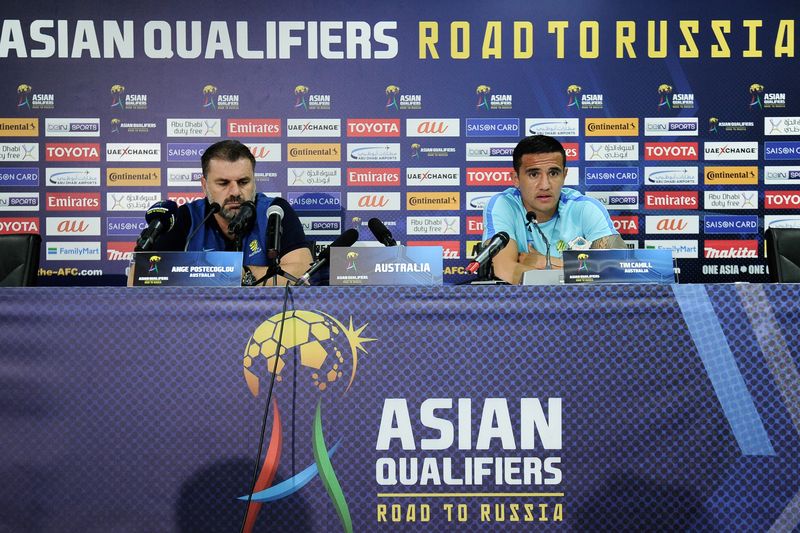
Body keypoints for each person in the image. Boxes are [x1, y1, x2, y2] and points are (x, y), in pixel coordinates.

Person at [136, 139, 312, 286]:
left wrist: (242, 275)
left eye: (243, 182)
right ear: (204, 186)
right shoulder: (186, 218)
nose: (235, 191)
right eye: (223, 183)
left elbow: (303, 274)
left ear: (254, 182)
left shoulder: (274, 212)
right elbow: (141, 276)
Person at [482, 134, 625, 284]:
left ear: (564, 175)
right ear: (516, 179)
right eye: (534, 174)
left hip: (581, 304)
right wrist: (581, 271)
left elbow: (618, 269)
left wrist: (544, 262)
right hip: (524, 305)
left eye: (553, 173)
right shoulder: (504, 205)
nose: (545, 185)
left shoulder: (586, 208)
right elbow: (505, 270)